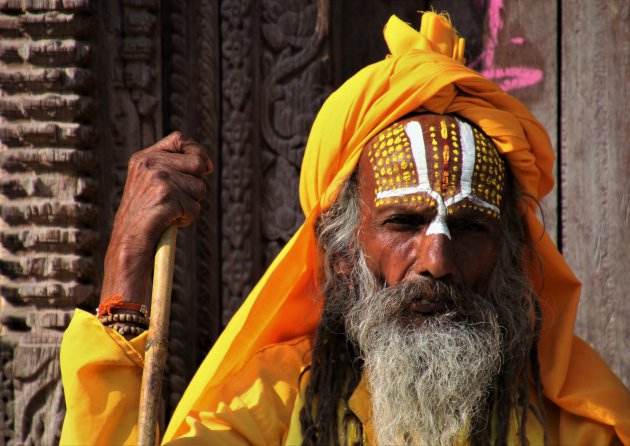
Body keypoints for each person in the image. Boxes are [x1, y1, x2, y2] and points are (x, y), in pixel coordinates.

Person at [60, 12, 630, 445]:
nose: (437, 258)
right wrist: (127, 263)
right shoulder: (274, 403)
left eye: (469, 226)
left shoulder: (579, 429)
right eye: (403, 222)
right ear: (341, 256)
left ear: (508, 254)